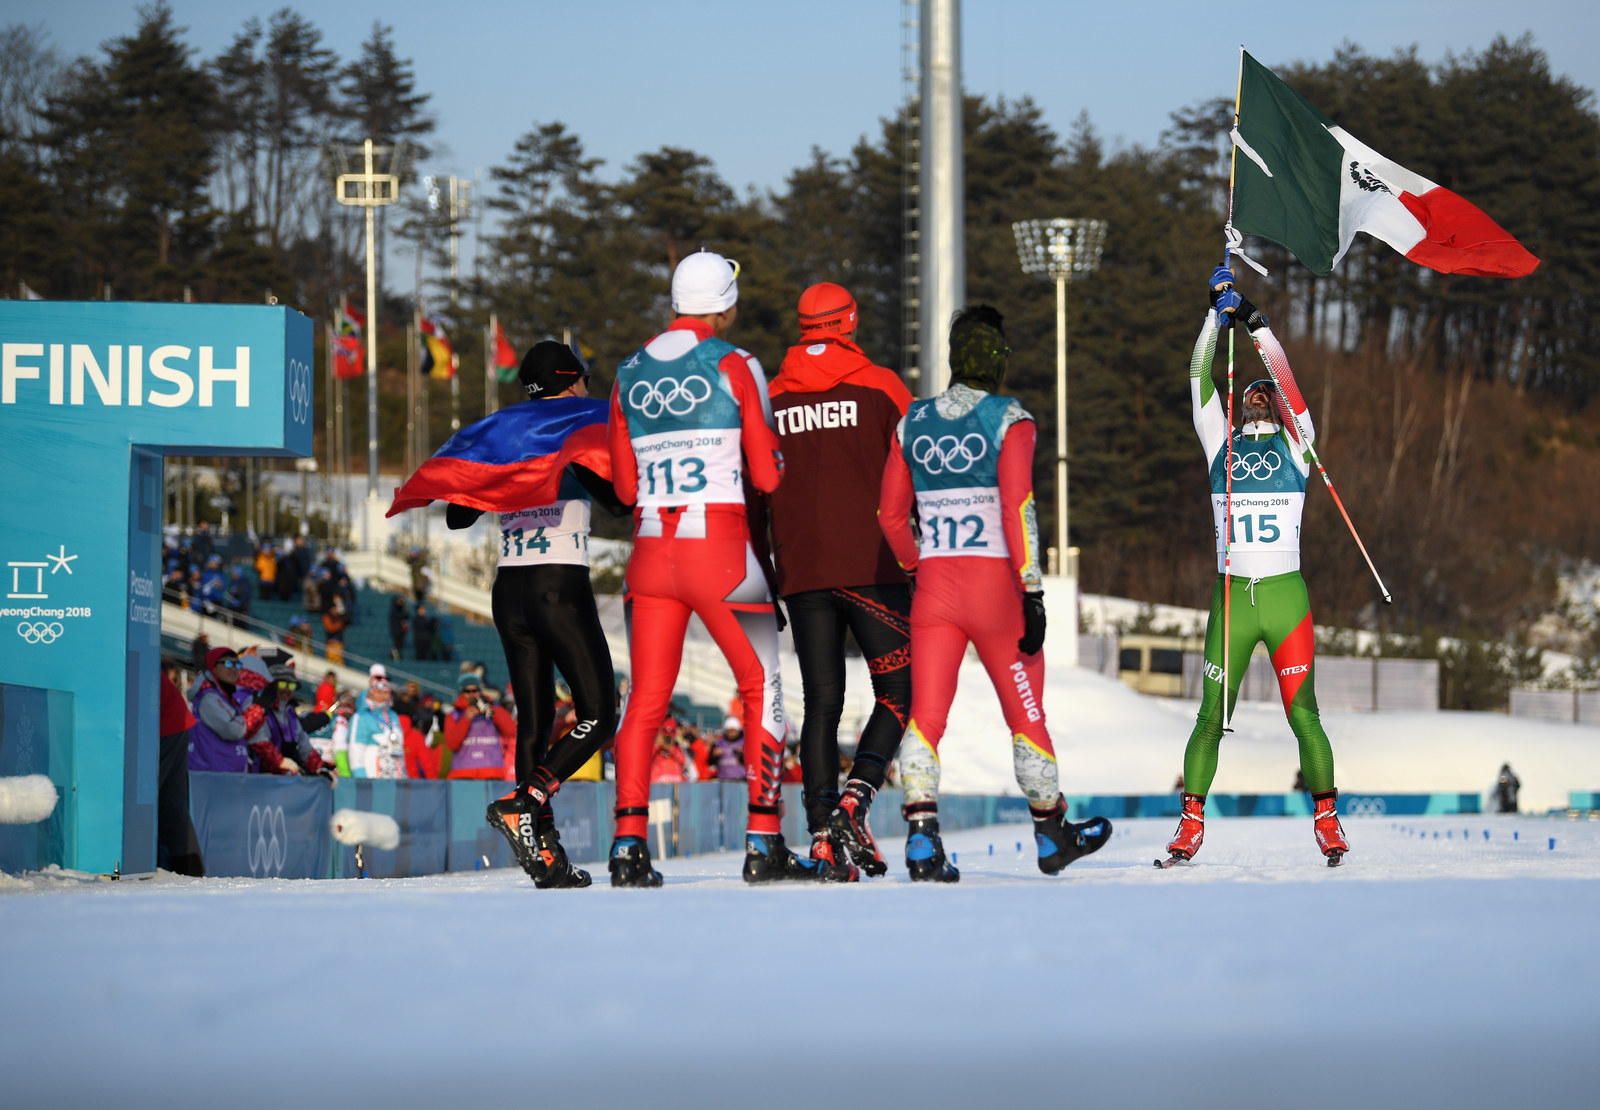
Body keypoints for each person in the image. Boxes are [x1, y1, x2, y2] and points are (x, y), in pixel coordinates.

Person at [606, 250, 847, 884]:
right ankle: (763, 841)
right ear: (725, 304)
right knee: (761, 689)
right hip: (721, 551)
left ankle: (628, 846)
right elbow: (767, 474)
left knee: (646, 703)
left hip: (651, 552)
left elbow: (626, 490)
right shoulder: (737, 364)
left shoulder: (628, 372)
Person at [879, 304, 1112, 881]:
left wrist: (916, 568)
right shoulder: (1012, 418)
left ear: (954, 360)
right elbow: (1017, 508)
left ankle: (920, 839)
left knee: (926, 718)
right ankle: (1051, 832)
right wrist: (1032, 590)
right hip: (996, 590)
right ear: (999, 361)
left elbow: (888, 516)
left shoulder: (911, 421)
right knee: (1026, 716)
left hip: (933, 587)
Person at [408, 341, 629, 888]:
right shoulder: (576, 431)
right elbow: (622, 503)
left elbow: (458, 517)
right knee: (600, 714)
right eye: (581, 378)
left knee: (534, 720)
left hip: (509, 591)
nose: (585, 387)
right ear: (570, 381)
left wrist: (503, 481)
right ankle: (526, 801)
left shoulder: (507, 435)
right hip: (559, 584)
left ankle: (545, 855)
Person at [1162, 267, 1348, 867]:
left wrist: (1257, 323)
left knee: (1305, 716)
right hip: (1233, 599)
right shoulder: (1221, 442)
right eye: (1253, 393)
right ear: (1240, 406)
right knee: (1210, 717)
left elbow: (1290, 388)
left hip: (1286, 598)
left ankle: (1327, 820)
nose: (1262, 396)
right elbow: (1197, 375)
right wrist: (1214, 316)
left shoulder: (1298, 443)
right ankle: (1190, 823)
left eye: (1265, 394)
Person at [765, 281, 914, 878]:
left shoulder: (770, 395)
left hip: (801, 571)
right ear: (850, 321)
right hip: (874, 567)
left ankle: (823, 832)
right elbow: (921, 460)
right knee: (900, 694)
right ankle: (857, 800)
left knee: (822, 704)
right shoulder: (881, 386)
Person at [252, 651, 337, 779]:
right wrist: (280, 762)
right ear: (271, 686)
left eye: (291, 685)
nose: (286, 689)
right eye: (282, 684)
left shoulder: (289, 711)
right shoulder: (261, 709)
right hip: (263, 777)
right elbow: (259, 741)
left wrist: (320, 767)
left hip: (286, 778)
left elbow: (304, 745)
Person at [187, 647, 267, 772]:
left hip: (225, 777)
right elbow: (234, 729)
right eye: (228, 663)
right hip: (213, 777)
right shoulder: (209, 697)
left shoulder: (225, 697)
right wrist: (256, 710)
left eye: (237, 664)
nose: (234, 668)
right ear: (213, 667)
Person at [158, 665, 205, 875]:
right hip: (173, 719)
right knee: (170, 800)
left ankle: (187, 867)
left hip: (167, 722)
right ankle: (189, 868)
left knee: (152, 795)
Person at [331, 664, 409, 779]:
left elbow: (400, 750)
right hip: (372, 780)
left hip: (395, 780)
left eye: (386, 692)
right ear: (370, 692)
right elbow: (355, 752)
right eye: (378, 692)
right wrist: (362, 781)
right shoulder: (361, 717)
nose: (382, 696)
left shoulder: (393, 716)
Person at [443, 673, 516, 780]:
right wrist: (465, 720)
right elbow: (452, 744)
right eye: (467, 691)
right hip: (463, 774)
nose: (472, 694)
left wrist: (492, 710)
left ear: (480, 691)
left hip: (492, 773)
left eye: (475, 690)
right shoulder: (454, 715)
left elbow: (511, 731)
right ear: (461, 693)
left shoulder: (494, 709)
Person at [711, 716, 745, 780]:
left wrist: (742, 754)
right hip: (723, 779)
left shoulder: (743, 743)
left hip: (740, 779)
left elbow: (751, 763)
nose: (731, 734)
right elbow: (710, 762)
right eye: (729, 731)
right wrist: (714, 755)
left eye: (734, 731)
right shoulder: (719, 743)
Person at [388, 597, 409, 661]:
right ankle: (394, 656)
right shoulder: (394, 610)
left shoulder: (402, 610)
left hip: (402, 631)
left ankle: (397, 656)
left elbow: (407, 617)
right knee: (397, 644)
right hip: (396, 631)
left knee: (400, 645)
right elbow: (400, 617)